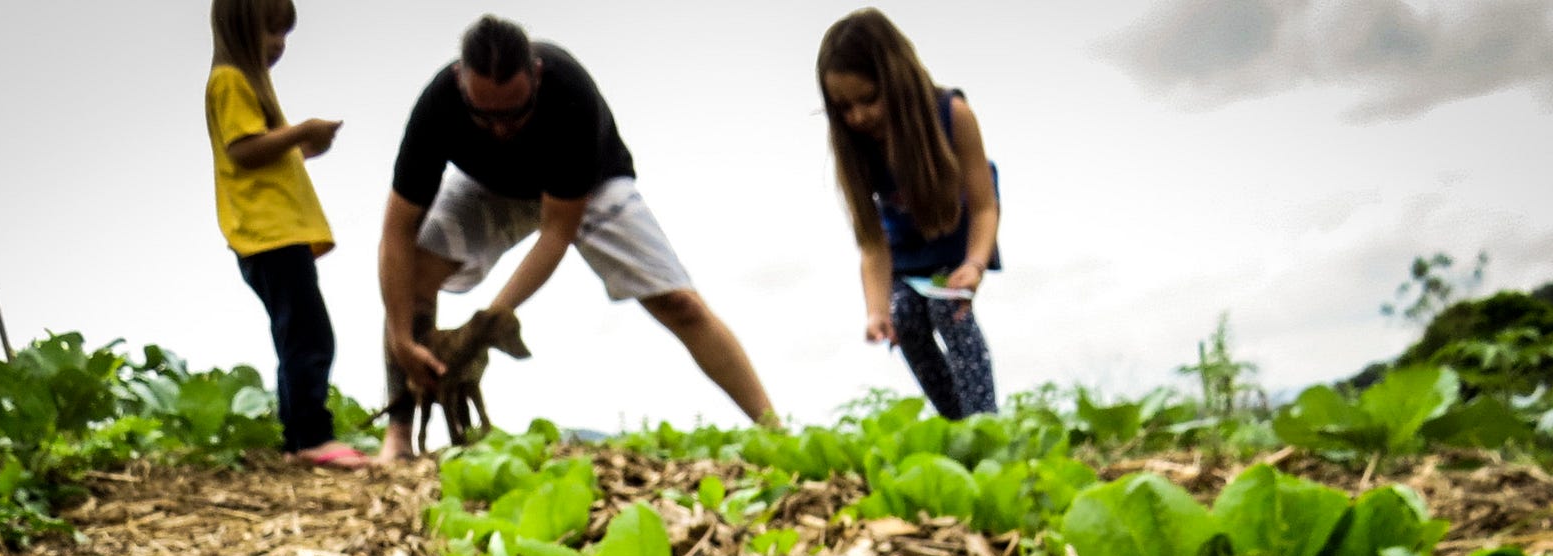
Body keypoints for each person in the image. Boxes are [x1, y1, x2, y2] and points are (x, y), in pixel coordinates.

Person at [377, 15, 774, 461]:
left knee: (679, 303)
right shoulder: (437, 106)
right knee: (412, 276)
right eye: (483, 115)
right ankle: (398, 435)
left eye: (514, 113)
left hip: (588, 187)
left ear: (537, 75)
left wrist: (485, 325)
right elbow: (396, 231)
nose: (501, 129)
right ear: (460, 81)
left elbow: (555, 233)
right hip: (487, 187)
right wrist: (399, 336)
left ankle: (773, 431)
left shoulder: (569, 92)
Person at [205, 0, 367, 468]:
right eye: (270, 32)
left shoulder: (241, 84)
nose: (278, 45)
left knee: (298, 334)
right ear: (240, 29)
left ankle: (298, 438)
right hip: (268, 235)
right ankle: (312, 439)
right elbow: (244, 151)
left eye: (283, 34)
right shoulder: (231, 81)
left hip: (271, 237)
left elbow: (262, 157)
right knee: (309, 336)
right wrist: (302, 131)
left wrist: (304, 145)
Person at [819, 9, 1001, 420]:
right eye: (844, 107)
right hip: (906, 252)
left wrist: (975, 264)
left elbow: (986, 205)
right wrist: (876, 311)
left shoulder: (953, 115)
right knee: (904, 319)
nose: (859, 116)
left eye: (869, 99)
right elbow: (872, 244)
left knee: (948, 312)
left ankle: (986, 424)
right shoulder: (858, 146)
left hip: (960, 242)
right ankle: (958, 426)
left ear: (898, 81)